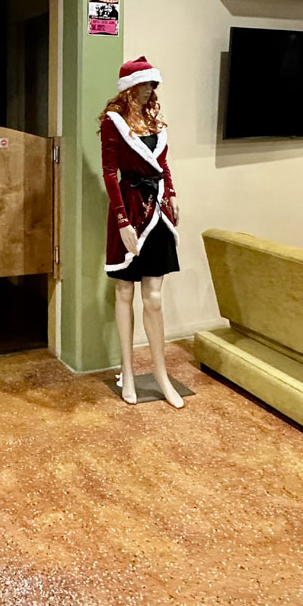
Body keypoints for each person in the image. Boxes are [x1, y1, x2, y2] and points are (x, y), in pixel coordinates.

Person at [100, 56, 182, 408]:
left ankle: (161, 374)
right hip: (130, 209)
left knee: (155, 297)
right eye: (145, 84)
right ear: (130, 88)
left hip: (157, 211)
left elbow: (162, 164)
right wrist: (121, 220)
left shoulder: (155, 122)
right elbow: (109, 173)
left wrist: (172, 193)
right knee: (124, 292)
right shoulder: (113, 123)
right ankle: (129, 372)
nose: (150, 91)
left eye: (153, 85)